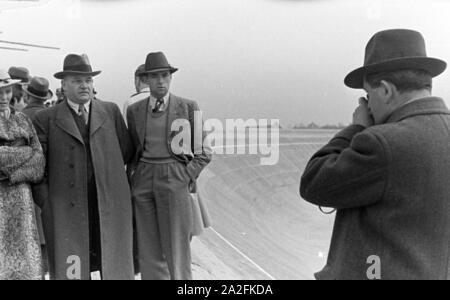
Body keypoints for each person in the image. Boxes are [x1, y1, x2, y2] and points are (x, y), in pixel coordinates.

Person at [300, 29, 450, 280]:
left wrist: (357, 128)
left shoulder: (382, 143)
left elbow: (313, 182)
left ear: (386, 91)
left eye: (369, 95)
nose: (368, 105)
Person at [34, 54, 135, 280]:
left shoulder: (110, 112)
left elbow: (127, 152)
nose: (84, 86)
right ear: (63, 84)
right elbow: (37, 168)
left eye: (88, 81)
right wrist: (47, 202)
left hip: (106, 203)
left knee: (112, 262)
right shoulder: (46, 119)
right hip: (66, 207)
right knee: (73, 266)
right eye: (77, 80)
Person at [127, 52, 212, 280]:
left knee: (176, 246)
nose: (160, 81)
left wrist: (185, 176)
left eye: (164, 75)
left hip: (175, 177)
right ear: (147, 79)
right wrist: (134, 178)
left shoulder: (188, 107)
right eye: (154, 76)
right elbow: (134, 150)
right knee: (148, 248)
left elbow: (204, 152)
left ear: (170, 77)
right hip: (144, 178)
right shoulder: (134, 111)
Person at [0, 69, 45, 280]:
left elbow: (38, 162)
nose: (4, 97)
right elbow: (30, 154)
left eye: (7, 91)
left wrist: (12, 175)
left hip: (21, 195)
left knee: (24, 253)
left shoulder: (23, 120)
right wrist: (24, 152)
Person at [21, 76, 54, 278]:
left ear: (27, 94)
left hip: (25, 186)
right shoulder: (53, 116)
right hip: (49, 186)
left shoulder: (20, 117)